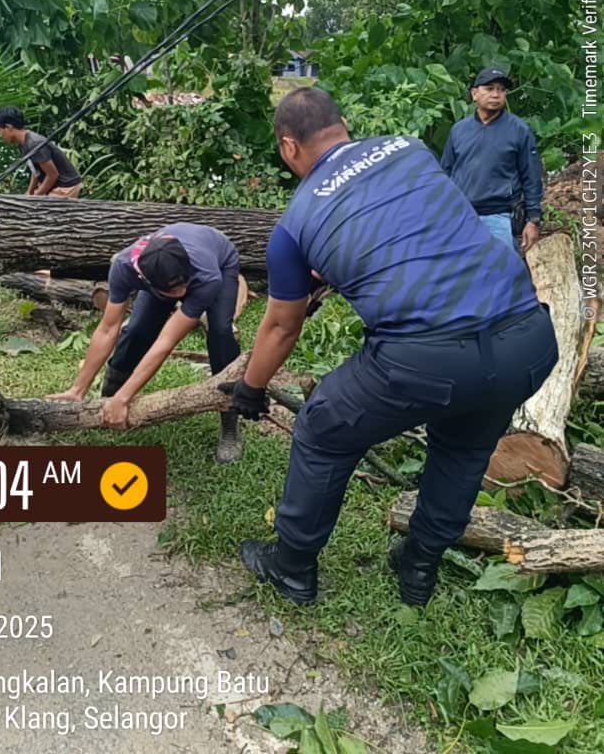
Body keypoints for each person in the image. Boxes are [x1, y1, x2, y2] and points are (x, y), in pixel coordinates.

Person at [223, 88, 557, 606]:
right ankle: (418, 568)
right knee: (464, 449)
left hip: (427, 358)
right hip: (526, 340)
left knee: (322, 427)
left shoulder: (293, 225)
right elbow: (417, 229)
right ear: (345, 124)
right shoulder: (409, 149)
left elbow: (281, 329)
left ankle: (290, 567)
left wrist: (251, 388)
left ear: (288, 147)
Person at [47, 225, 243, 462]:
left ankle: (230, 418)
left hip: (220, 260)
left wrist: (125, 398)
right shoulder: (123, 266)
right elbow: (108, 329)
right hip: (162, 274)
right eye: (174, 290)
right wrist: (78, 390)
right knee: (138, 329)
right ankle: (111, 388)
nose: (183, 292)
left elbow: (166, 342)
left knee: (221, 334)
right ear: (145, 280)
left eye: (184, 284)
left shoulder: (204, 275)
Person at [440, 68, 543, 251]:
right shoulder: (459, 130)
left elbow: (532, 177)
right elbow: (445, 173)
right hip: (461, 217)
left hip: (500, 216)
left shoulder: (518, 130)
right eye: (489, 88)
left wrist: (533, 220)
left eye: (501, 89)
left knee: (501, 274)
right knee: (464, 274)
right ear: (474, 94)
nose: (496, 94)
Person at [0, 106, 82, 198]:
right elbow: (36, 171)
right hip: (54, 184)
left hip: (66, 186)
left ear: (8, 127)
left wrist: (35, 197)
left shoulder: (34, 143)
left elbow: (53, 175)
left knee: (36, 209)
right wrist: (29, 192)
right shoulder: (23, 143)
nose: (0, 135)